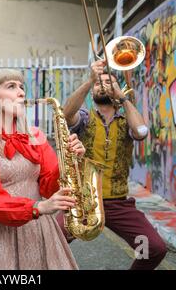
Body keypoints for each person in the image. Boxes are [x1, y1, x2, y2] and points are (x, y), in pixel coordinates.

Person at [0, 69, 85, 270]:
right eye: (11, 86)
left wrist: (70, 161)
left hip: (40, 229)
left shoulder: (36, 135)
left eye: (21, 87)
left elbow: (49, 188)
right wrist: (38, 208)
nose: (20, 92)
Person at [62, 60, 167, 270]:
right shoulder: (84, 117)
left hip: (118, 204)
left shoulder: (126, 118)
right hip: (82, 201)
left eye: (109, 82)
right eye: (98, 83)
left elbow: (141, 132)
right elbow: (65, 114)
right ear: (92, 92)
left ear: (118, 89)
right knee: (51, 240)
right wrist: (89, 80)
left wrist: (123, 99)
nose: (103, 86)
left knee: (154, 248)